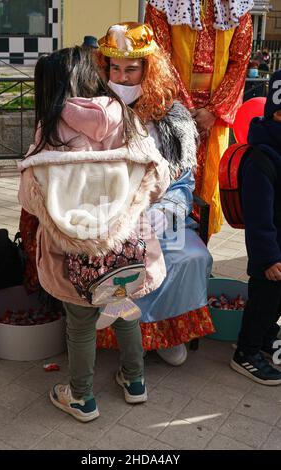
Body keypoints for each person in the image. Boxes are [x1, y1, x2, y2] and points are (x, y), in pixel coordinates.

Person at [18, 45, 171, 421]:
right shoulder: (126, 118)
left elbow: (31, 194)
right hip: (126, 246)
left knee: (81, 324)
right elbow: (159, 178)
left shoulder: (51, 127)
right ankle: (135, 382)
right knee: (125, 309)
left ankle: (82, 398)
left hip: (72, 252)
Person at [97, 22, 214, 365]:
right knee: (115, 256)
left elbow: (183, 181)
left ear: (148, 70)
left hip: (163, 214)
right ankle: (125, 335)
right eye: (114, 68)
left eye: (131, 69)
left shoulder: (172, 117)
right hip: (109, 214)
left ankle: (167, 330)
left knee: (188, 257)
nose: (122, 77)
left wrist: (163, 214)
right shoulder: (94, 112)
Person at [145, 0, 254, 236]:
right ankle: (167, 254)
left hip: (213, 120)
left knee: (207, 191)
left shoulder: (237, 6)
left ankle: (200, 255)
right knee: (168, 183)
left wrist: (213, 112)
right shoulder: (162, 4)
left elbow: (240, 62)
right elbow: (159, 57)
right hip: (170, 113)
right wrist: (185, 111)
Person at [230, 70, 281, 385]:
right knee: (264, 300)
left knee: (277, 303)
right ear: (278, 113)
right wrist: (268, 258)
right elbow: (259, 215)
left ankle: (263, 337)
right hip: (271, 255)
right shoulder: (262, 158)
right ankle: (246, 352)